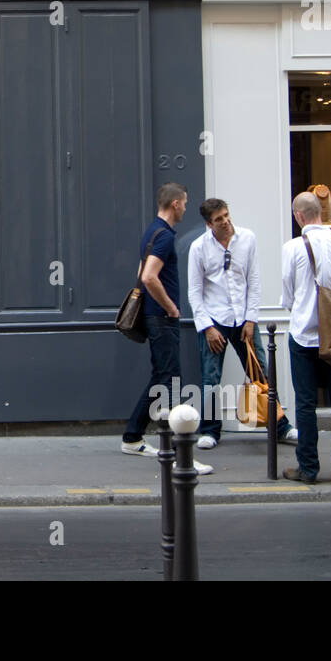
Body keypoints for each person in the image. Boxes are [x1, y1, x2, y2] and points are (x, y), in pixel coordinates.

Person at [188, 198, 296, 449]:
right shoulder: (198, 248)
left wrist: (251, 319)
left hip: (243, 320)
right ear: (208, 224)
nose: (225, 222)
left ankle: (281, 426)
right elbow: (195, 291)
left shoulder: (247, 238)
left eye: (226, 215)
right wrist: (207, 327)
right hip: (214, 320)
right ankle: (210, 431)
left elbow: (254, 280)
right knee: (210, 379)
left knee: (261, 374)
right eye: (218, 219)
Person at [120, 183, 213, 474]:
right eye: (184, 203)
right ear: (175, 204)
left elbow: (140, 272)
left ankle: (132, 437)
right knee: (171, 384)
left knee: (162, 377)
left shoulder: (152, 231)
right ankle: (177, 453)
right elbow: (148, 277)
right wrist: (171, 307)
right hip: (162, 319)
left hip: (154, 317)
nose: (186, 207)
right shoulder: (164, 236)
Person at [280, 191, 331, 484]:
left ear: (298, 216)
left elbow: (287, 297)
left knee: (305, 404)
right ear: (321, 211)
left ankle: (309, 468)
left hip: (304, 336)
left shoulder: (292, 248)